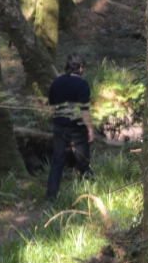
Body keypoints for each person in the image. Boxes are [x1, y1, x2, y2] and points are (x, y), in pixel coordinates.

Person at [46, 53, 95, 201]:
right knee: (83, 162)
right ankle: (92, 193)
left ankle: (51, 197)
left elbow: (53, 109)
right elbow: (84, 110)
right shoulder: (82, 85)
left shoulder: (56, 82)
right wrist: (90, 129)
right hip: (77, 130)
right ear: (80, 68)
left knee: (57, 163)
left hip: (59, 127)